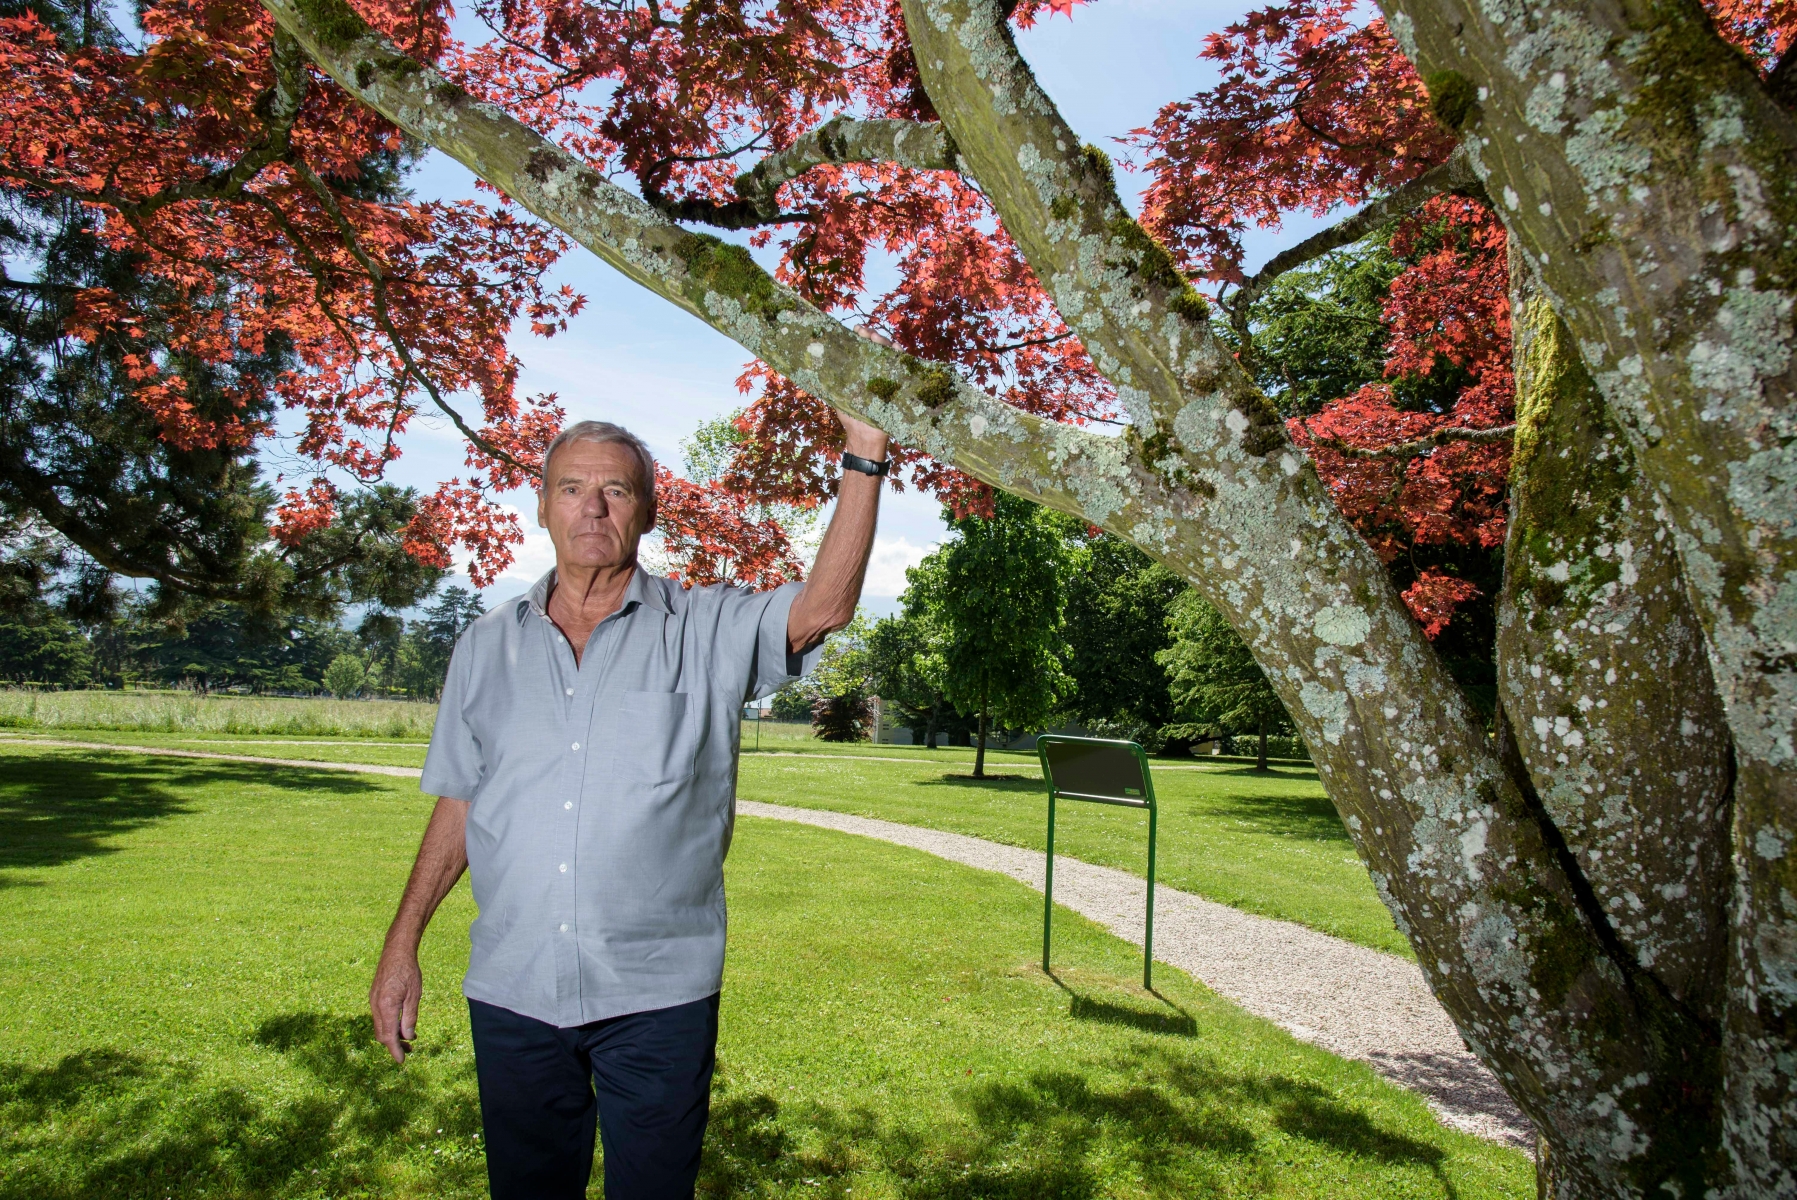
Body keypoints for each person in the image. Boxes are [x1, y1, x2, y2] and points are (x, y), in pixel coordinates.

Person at [368, 412, 890, 1199]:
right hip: (513, 990)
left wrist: (866, 454)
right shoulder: (484, 645)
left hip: (657, 997)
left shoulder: (706, 627)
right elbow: (461, 801)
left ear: (647, 511)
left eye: (616, 490)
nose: (593, 508)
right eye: (572, 488)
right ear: (541, 504)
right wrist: (402, 940)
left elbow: (821, 609)